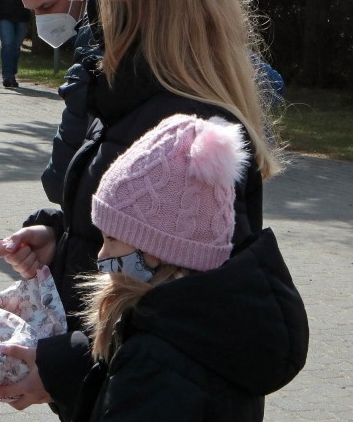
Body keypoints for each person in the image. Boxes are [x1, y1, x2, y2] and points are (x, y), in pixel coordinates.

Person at [0, 0, 282, 417]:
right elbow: (145, 239)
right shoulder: (127, 91)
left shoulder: (183, 123)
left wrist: (60, 369)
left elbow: (180, 318)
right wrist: (61, 233)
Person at [72, 114, 308, 421]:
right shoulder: (214, 331)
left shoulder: (154, 358)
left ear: (157, 251)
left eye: (113, 238)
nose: (103, 253)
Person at [13, 0, 95, 203]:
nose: (42, 19)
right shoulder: (92, 30)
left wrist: (57, 181)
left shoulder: (95, 42)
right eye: (34, 11)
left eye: (46, 7)